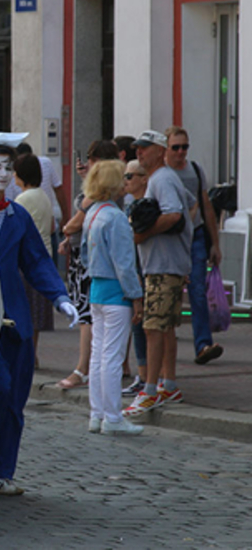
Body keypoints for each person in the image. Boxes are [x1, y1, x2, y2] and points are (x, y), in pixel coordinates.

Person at [0, 142, 77, 496]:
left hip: (13, 321)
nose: (2, 174)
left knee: (13, 400)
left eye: (8, 168)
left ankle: (1, 471)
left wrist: (60, 297)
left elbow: (38, 262)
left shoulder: (17, 216)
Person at [123, 130, 194, 417]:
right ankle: (169, 383)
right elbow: (191, 203)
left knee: (152, 327)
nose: (139, 153)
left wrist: (144, 233)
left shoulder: (162, 178)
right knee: (164, 327)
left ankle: (150, 390)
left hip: (164, 265)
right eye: (137, 149)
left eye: (144, 148)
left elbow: (175, 213)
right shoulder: (163, 178)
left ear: (159, 150)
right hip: (167, 262)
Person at [80, 160, 145, 435]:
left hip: (96, 289)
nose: (126, 182)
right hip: (116, 293)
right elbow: (124, 264)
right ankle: (113, 418)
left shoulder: (92, 213)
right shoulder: (116, 217)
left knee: (98, 355)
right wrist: (136, 295)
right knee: (112, 356)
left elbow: (84, 254)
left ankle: (98, 414)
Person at [57, 139, 121, 390]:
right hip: (93, 257)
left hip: (88, 260)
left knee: (87, 316)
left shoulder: (97, 194)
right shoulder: (113, 190)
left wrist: (67, 230)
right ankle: (103, 370)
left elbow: (74, 223)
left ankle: (82, 369)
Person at [164, 126, 224, 365]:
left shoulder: (195, 170)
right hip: (170, 239)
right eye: (175, 147)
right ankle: (166, 345)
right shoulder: (162, 173)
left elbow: (207, 206)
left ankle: (203, 345)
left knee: (198, 292)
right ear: (166, 149)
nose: (181, 152)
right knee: (171, 293)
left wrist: (215, 243)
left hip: (196, 236)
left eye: (184, 147)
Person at [13, 153, 55, 362]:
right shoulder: (43, 196)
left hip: (27, 260)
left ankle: (27, 356)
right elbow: (52, 226)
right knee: (36, 314)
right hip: (44, 258)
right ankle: (33, 353)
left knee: (24, 311)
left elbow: (14, 230)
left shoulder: (23, 199)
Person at [121, 159, 150, 397]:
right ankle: (143, 375)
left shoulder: (149, 204)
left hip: (147, 267)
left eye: (130, 176)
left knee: (147, 324)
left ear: (144, 178)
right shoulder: (129, 205)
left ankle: (150, 376)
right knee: (138, 325)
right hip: (136, 266)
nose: (126, 180)